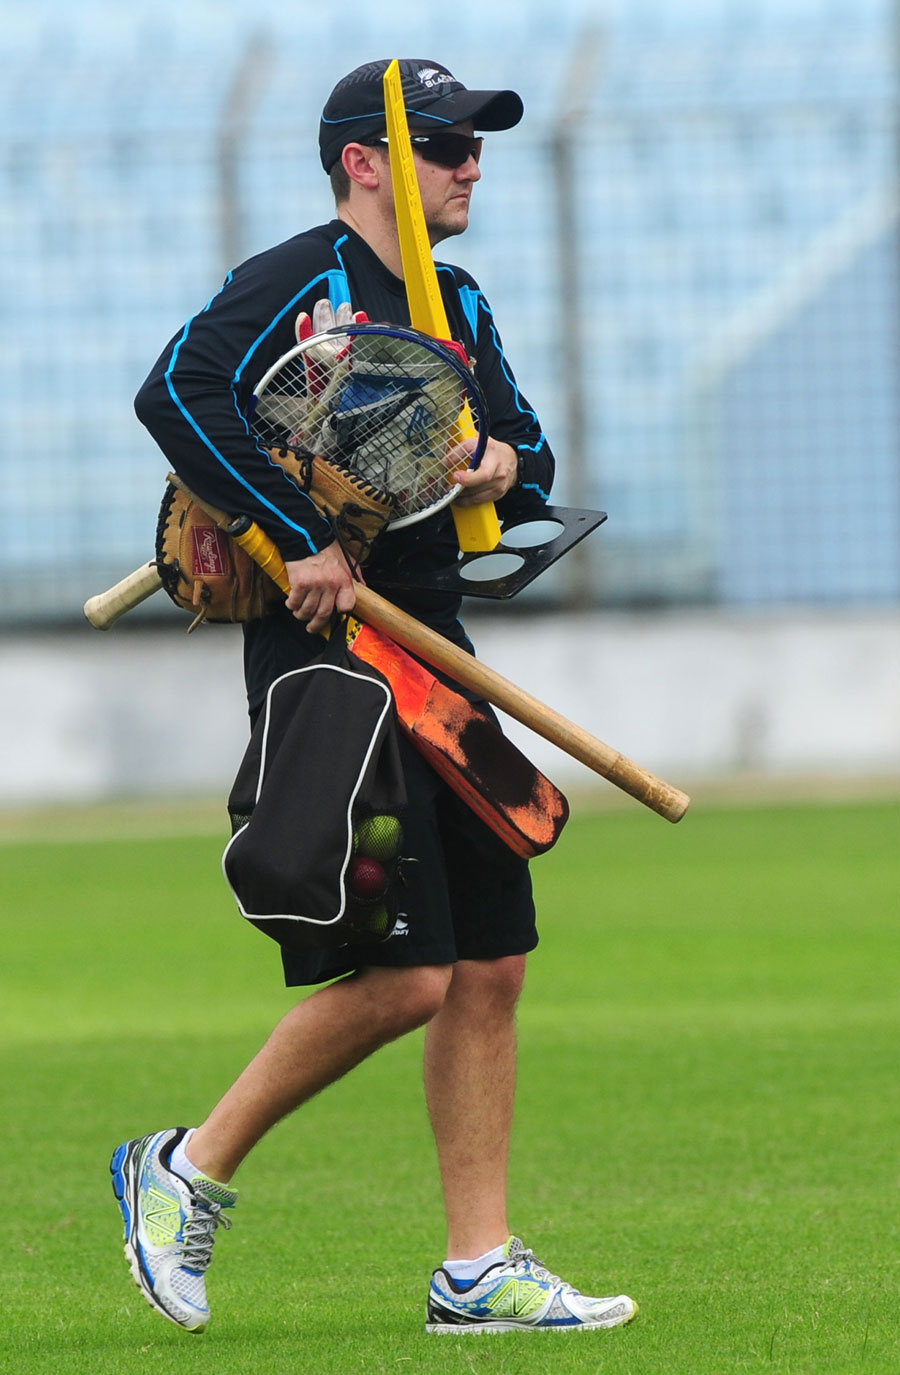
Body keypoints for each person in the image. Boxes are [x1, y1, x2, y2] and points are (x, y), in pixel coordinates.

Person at [110, 57, 637, 1337]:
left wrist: (492, 461)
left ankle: (478, 1266)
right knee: (405, 975)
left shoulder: (454, 299)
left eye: (476, 145)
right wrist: (298, 536)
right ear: (367, 160)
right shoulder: (294, 280)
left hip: (436, 651)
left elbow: (530, 451)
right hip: (335, 663)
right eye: (449, 145)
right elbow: (176, 389)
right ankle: (182, 1170)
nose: (471, 165)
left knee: (494, 965)